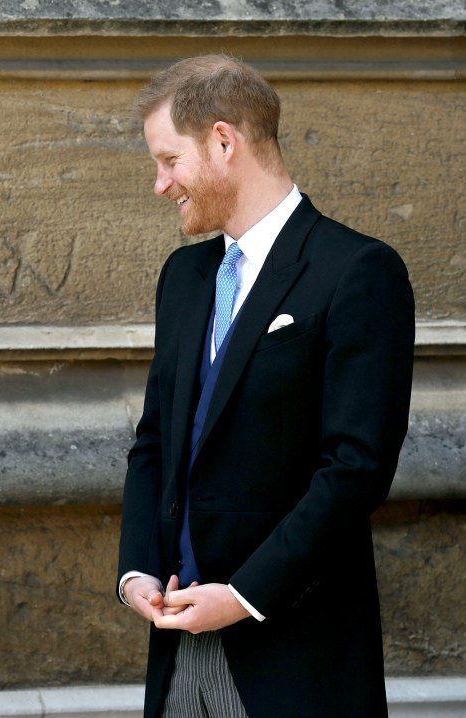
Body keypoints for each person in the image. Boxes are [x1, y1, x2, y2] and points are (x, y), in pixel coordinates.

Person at [117, 55, 414, 718]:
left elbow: (355, 470)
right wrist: (136, 568)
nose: (161, 185)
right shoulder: (185, 278)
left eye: (169, 160)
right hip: (178, 657)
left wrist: (244, 594)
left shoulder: (357, 272)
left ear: (224, 142)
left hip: (294, 657)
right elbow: (157, 439)